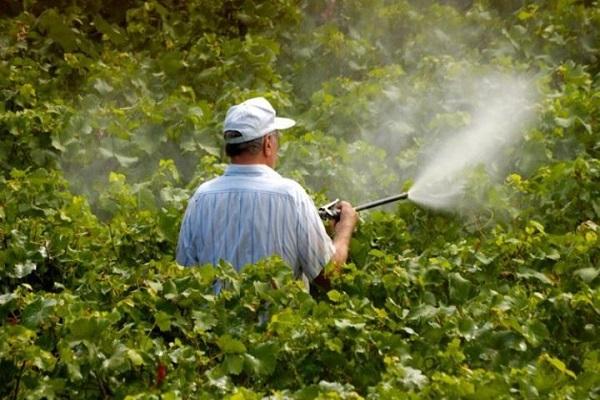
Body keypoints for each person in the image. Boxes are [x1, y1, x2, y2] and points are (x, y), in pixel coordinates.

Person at [176, 97, 357, 290]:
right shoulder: (291, 195)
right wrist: (344, 229)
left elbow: (184, 278)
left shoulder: (201, 197)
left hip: (217, 320)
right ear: (267, 143)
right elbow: (328, 276)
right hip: (277, 320)